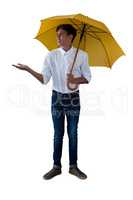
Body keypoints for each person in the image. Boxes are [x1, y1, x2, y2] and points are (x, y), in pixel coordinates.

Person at [12, 24, 91, 180]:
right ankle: (56, 166)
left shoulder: (82, 55)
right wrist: (28, 69)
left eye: (61, 35)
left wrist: (75, 79)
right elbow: (44, 79)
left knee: (73, 133)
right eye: (57, 35)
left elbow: (87, 78)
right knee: (58, 134)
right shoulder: (51, 55)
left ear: (70, 37)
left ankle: (73, 167)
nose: (58, 38)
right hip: (57, 99)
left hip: (74, 99)